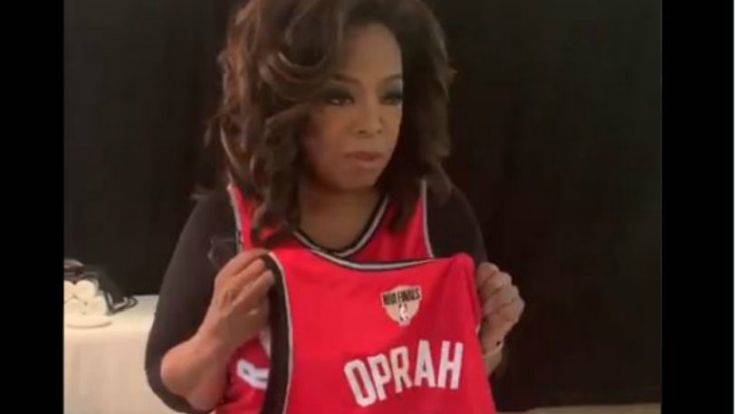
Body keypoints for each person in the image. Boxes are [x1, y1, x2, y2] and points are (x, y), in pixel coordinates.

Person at [145, 0, 524, 412]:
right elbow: (176, 390)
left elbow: (461, 382)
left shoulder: (439, 215)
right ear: (284, 102)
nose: (372, 124)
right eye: (339, 97)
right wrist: (216, 338)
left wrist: (490, 338)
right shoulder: (226, 222)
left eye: (391, 96)